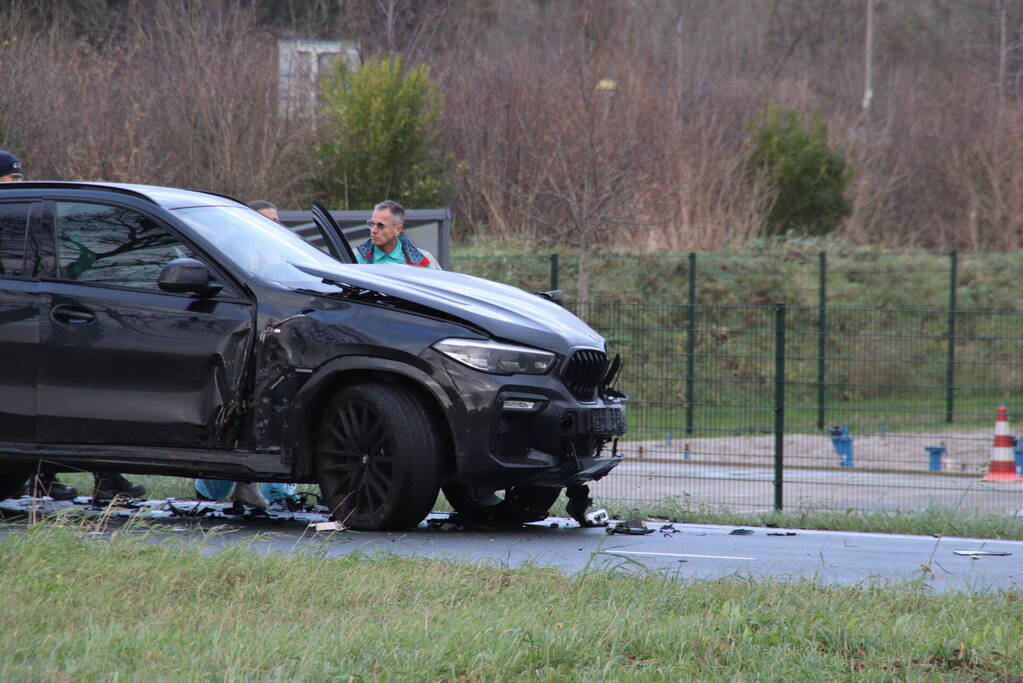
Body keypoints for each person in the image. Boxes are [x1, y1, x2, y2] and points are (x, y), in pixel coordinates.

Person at [0, 150, 145, 502]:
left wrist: (80, 266)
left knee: (64, 398)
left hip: (43, 324)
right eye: (11, 178)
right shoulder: (13, 217)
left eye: (19, 178)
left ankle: (89, 476)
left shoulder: (25, 217)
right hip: (17, 327)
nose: (18, 183)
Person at [192, 198, 297, 509]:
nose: (275, 227)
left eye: (277, 221)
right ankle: (219, 487)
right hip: (239, 353)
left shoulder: (285, 257)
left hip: (274, 353)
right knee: (232, 420)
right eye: (267, 221)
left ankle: (258, 488)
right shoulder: (232, 257)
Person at [354, 200, 439, 269]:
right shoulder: (354, 258)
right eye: (372, 224)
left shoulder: (425, 261)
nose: (373, 230)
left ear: (397, 230)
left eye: (380, 225)